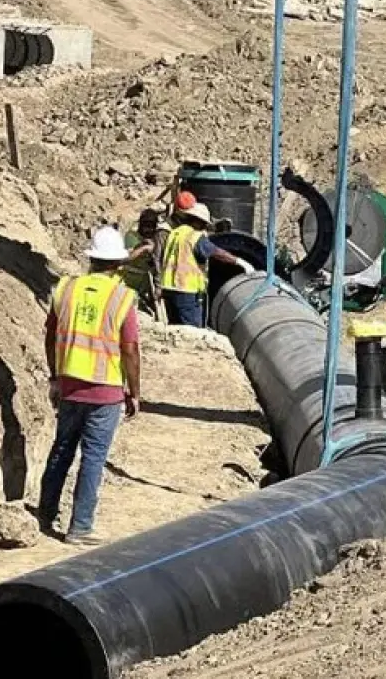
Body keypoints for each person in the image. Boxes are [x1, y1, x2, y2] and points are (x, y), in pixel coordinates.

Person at [38, 225, 141, 545]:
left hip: (69, 383)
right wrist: (134, 392)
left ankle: (44, 514)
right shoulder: (122, 297)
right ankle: (80, 527)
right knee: (93, 458)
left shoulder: (66, 288)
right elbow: (130, 349)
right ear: (118, 263)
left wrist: (55, 376)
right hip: (105, 389)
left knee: (61, 449)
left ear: (92, 259)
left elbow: (50, 335)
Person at [159, 192, 252, 328]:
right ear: (196, 221)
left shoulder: (175, 233)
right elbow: (216, 252)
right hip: (186, 291)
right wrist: (239, 262)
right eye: (203, 224)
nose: (204, 227)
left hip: (169, 288)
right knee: (192, 329)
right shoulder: (194, 236)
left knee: (177, 329)